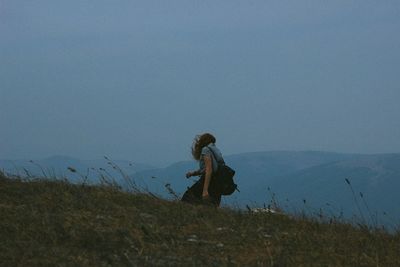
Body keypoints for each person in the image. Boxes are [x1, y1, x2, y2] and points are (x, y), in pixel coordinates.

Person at [182, 133, 224, 206]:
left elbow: (209, 170)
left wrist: (205, 190)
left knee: (187, 198)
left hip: (208, 180)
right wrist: (193, 173)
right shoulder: (215, 151)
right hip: (218, 181)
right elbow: (208, 168)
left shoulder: (205, 150)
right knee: (212, 206)